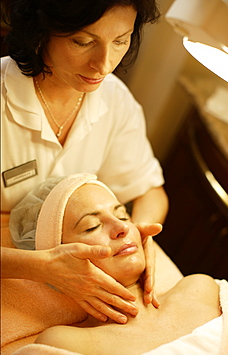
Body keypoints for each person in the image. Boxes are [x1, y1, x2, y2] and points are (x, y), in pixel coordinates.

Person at [1, 0, 170, 324]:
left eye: (120, 40)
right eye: (83, 41)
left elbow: (150, 191)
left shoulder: (115, 100)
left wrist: (141, 234)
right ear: (39, 32)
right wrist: (41, 267)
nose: (103, 65)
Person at [9, 173, 222, 355]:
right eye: (91, 226)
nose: (123, 229)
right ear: (60, 259)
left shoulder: (201, 288)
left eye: (123, 216)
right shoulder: (65, 344)